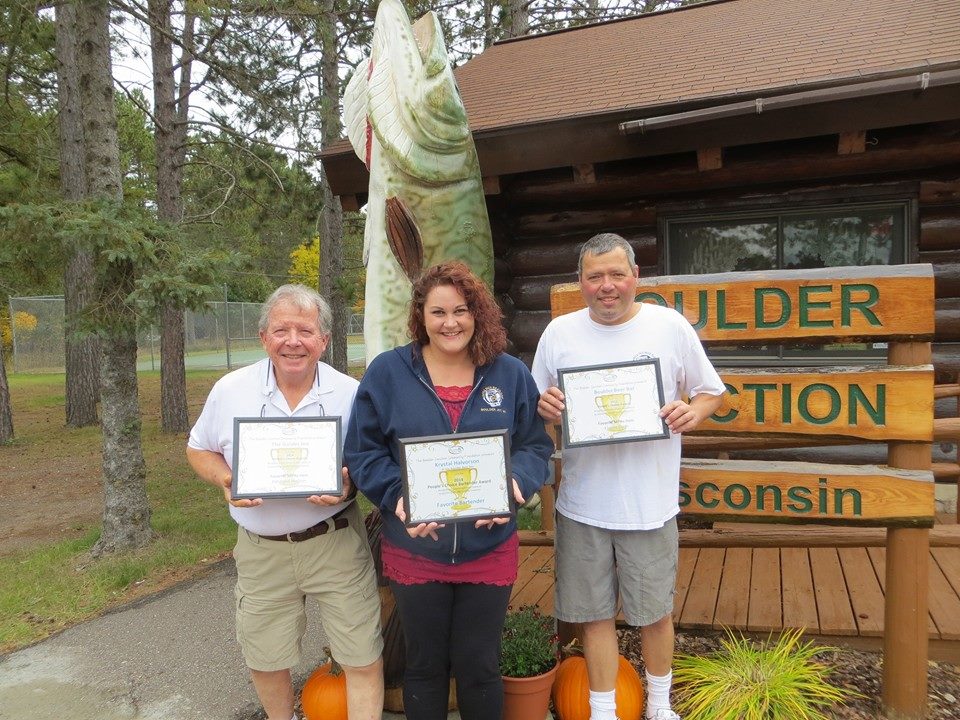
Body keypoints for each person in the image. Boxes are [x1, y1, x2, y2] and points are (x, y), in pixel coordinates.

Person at [345, 261, 553, 720]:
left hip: (488, 547)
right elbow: (363, 453)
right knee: (425, 666)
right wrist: (397, 495)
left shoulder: (509, 374)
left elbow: (534, 445)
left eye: (461, 310)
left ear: (477, 313)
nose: (450, 322)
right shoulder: (388, 373)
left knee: (479, 666)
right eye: (438, 312)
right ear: (420, 315)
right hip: (416, 550)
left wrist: (515, 486)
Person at [532, 233, 726, 720]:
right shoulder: (559, 334)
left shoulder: (669, 326)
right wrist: (546, 408)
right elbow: (538, 407)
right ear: (580, 282)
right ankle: (602, 711)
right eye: (595, 276)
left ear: (635, 277)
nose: (607, 286)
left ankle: (660, 707)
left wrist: (693, 412)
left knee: (655, 613)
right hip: (582, 503)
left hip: (649, 503)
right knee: (594, 615)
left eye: (617, 274)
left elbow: (711, 392)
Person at [186, 284, 384, 720]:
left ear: (324, 341)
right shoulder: (230, 389)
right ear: (263, 338)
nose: (293, 341)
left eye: (305, 331)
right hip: (262, 550)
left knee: (362, 655)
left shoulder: (351, 394)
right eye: (281, 330)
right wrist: (225, 477)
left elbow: (371, 462)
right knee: (266, 656)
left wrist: (349, 486)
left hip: (335, 542)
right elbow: (198, 448)